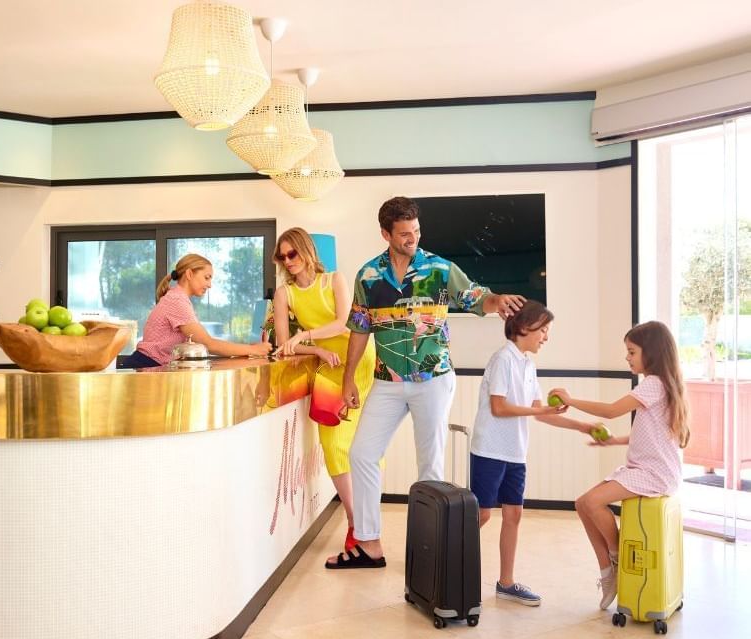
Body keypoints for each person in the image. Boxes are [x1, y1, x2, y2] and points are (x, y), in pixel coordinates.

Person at [326, 196, 526, 569]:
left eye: (416, 231)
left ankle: (429, 550)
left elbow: (475, 296)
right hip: (386, 380)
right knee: (361, 454)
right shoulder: (368, 276)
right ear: (385, 233)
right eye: (403, 233)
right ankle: (369, 544)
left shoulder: (439, 268)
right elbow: (359, 329)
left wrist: (497, 301)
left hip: (432, 379)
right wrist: (348, 379)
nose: (412, 238)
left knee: (430, 466)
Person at [548, 320, 689, 610]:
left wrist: (571, 400)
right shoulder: (663, 385)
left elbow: (611, 410)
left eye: (632, 351)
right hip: (649, 470)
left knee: (590, 502)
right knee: (582, 503)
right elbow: (654, 437)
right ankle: (608, 571)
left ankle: (618, 559)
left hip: (653, 474)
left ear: (651, 352)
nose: (627, 357)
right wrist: (614, 442)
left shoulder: (653, 384)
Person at [470, 300, 597, 605]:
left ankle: (506, 582)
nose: (546, 337)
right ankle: (444, 561)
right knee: (482, 515)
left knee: (514, 514)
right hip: (489, 449)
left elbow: (539, 413)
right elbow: (499, 408)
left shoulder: (528, 364)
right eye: (544, 330)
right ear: (525, 327)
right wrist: (535, 410)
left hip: (515, 452)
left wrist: (581, 425)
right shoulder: (503, 359)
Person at [272, 227, 377, 553]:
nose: (288, 261)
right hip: (329, 365)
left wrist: (305, 336)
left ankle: (368, 522)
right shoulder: (283, 294)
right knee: (333, 444)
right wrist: (315, 350)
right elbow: (281, 345)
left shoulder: (334, 280)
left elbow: (345, 323)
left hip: (358, 359)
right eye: (282, 256)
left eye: (293, 253)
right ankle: (355, 522)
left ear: (306, 251)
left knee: (364, 443)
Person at [119, 253, 271, 368]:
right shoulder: (176, 301)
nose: (210, 285)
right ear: (189, 274)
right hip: (145, 366)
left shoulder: (178, 298)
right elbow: (208, 344)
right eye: (207, 278)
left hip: (149, 365)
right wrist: (255, 350)